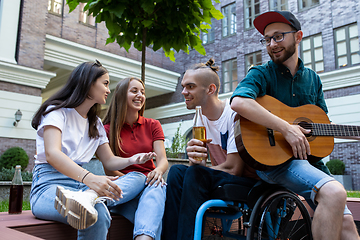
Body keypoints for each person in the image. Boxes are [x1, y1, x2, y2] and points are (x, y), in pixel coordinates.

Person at [230, 11, 360, 240]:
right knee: (333, 192)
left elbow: (322, 124)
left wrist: (301, 131)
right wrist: (286, 128)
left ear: (298, 36)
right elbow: (239, 102)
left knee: (347, 225)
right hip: (274, 162)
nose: (272, 44)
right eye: (267, 39)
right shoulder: (261, 73)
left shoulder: (313, 79)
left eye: (278, 36)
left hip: (309, 163)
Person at [30, 60, 156, 240]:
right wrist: (90, 179)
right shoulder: (56, 112)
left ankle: (91, 196)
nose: (108, 90)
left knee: (138, 177)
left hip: (82, 188)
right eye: (105, 83)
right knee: (96, 215)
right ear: (89, 83)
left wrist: (132, 160)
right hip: (49, 187)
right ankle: (91, 197)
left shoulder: (95, 123)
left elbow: (110, 161)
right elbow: (52, 154)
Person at [162, 58, 259, 240]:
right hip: (218, 177)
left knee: (195, 174)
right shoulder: (200, 118)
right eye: (183, 86)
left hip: (246, 182)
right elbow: (198, 165)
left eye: (190, 87)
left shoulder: (233, 114)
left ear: (210, 89)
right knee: (176, 172)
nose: (183, 92)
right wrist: (194, 159)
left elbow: (233, 168)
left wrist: (198, 169)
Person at [101, 77, 168, 240]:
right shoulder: (106, 129)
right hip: (122, 188)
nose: (140, 95)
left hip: (150, 185)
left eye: (142, 92)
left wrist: (158, 171)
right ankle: (95, 199)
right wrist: (138, 183)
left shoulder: (153, 125)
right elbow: (109, 169)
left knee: (156, 187)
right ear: (122, 95)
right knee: (140, 180)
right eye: (134, 91)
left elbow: (163, 160)